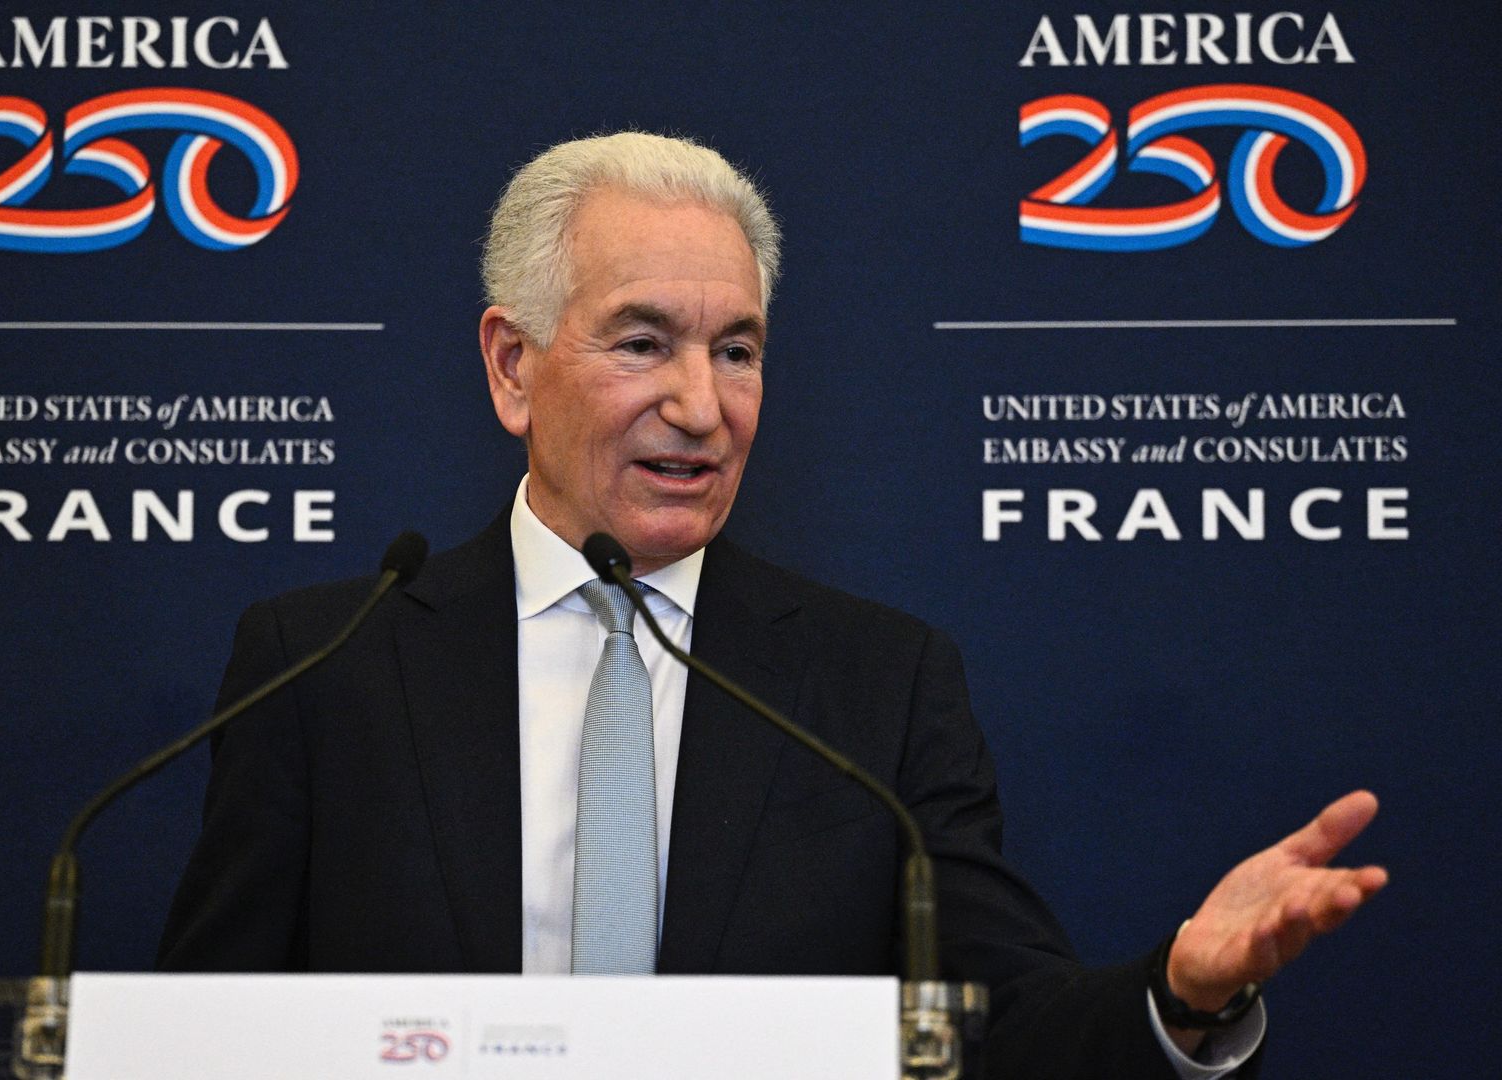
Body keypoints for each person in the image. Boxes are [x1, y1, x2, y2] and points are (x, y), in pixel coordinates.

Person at [159, 132, 1387, 1078]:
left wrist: (1179, 995)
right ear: (512, 366)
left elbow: (998, 1028)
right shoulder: (325, 665)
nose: (702, 405)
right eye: (644, 342)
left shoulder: (875, 687)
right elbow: (205, 1036)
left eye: (737, 350)